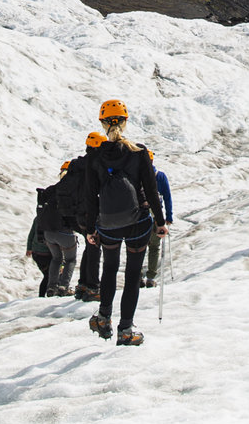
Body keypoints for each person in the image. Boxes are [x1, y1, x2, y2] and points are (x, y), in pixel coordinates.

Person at [78, 100, 167, 345]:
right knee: (132, 276)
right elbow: (150, 190)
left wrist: (90, 229)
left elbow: (90, 196)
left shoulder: (95, 157)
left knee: (109, 268)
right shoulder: (139, 152)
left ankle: (104, 315)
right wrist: (160, 222)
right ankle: (126, 330)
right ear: (125, 122)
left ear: (103, 124)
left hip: (108, 224)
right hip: (137, 222)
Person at [29, 161, 78, 297]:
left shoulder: (50, 190)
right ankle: (63, 286)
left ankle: (51, 287)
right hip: (65, 233)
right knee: (70, 260)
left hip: (48, 234)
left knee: (56, 259)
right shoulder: (72, 191)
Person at [69, 131, 104, 301]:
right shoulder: (96, 165)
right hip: (92, 212)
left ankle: (83, 284)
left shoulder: (78, 165)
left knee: (89, 247)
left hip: (78, 214)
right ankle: (93, 287)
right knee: (95, 248)